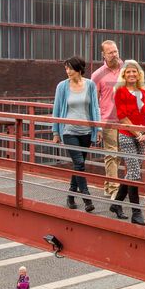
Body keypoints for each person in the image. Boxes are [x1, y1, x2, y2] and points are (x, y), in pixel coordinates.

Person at [52, 56, 100, 212]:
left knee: (78, 166)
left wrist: (98, 129)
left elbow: (95, 108)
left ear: (79, 69)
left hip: (86, 132)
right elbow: (57, 109)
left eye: (70, 68)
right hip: (69, 131)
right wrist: (55, 132)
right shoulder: (62, 86)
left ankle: (71, 196)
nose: (67, 71)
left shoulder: (90, 85)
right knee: (79, 164)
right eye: (66, 68)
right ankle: (87, 198)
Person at [110, 60, 145, 225]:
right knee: (135, 174)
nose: (132, 74)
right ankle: (136, 212)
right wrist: (138, 133)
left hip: (142, 137)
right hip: (127, 135)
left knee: (132, 174)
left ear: (139, 74)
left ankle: (116, 204)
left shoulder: (144, 92)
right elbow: (122, 117)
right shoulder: (120, 92)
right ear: (124, 75)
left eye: (134, 72)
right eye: (128, 72)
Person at [91, 40, 123, 199]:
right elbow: (93, 102)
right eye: (110, 52)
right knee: (112, 154)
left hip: (126, 120)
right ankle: (114, 189)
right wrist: (96, 126)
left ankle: (107, 185)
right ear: (103, 55)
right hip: (108, 120)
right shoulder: (97, 75)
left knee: (119, 155)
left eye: (115, 51)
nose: (114, 54)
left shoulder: (127, 69)